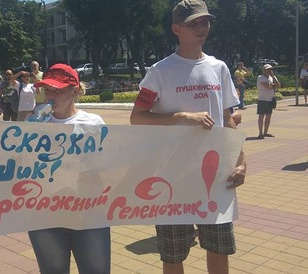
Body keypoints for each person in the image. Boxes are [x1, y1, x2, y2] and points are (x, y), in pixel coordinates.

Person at [129, 1, 247, 273]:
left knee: (219, 248)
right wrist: (181, 117)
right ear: (176, 29)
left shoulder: (219, 67)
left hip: (217, 174)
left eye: (204, 21)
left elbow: (228, 118)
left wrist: (241, 161)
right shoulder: (159, 71)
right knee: (173, 254)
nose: (200, 27)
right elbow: (137, 117)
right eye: (192, 23)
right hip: (173, 177)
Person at [30, 63, 111, 274]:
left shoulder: (93, 123)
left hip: (88, 213)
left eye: (57, 89)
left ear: (74, 90)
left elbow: (108, 164)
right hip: (46, 214)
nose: (51, 95)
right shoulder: (36, 124)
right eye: (48, 89)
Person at [256, 64, 281, 139]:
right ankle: (260, 133)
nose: (269, 71)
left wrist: (273, 77)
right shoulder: (260, 77)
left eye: (270, 69)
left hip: (271, 99)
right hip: (263, 99)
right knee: (261, 116)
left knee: (268, 116)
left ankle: (265, 132)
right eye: (267, 69)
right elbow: (268, 87)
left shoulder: (271, 77)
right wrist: (273, 85)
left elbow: (278, 85)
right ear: (263, 70)